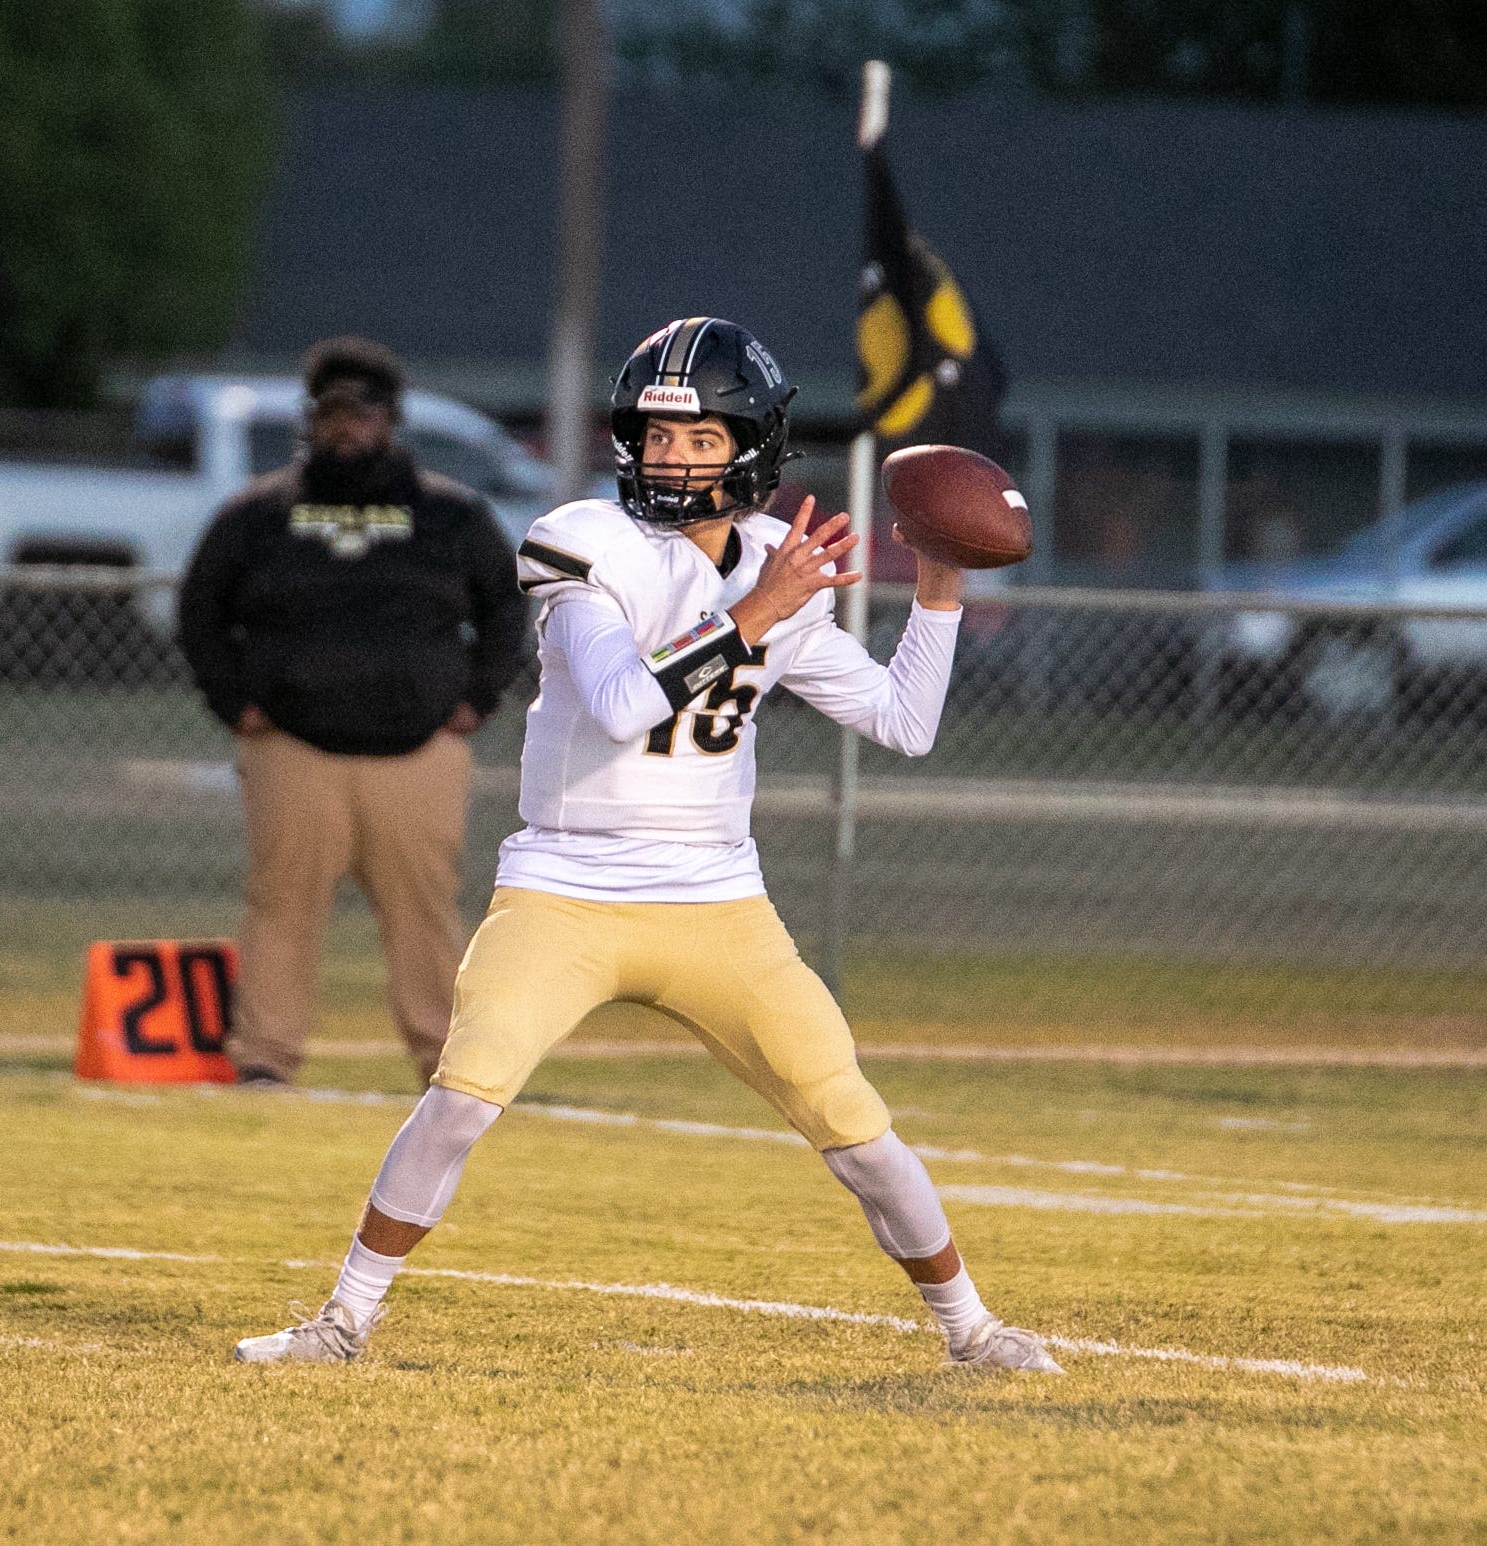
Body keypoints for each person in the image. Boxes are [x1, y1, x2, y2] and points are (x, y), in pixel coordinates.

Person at [234, 317, 1061, 1373]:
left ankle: (972, 1331)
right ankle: (340, 1321)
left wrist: (940, 592)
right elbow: (624, 703)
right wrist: (758, 611)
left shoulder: (776, 562)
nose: (670, 458)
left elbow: (906, 721)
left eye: (700, 439)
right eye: (656, 436)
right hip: (566, 886)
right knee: (458, 1101)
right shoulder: (585, 538)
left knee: (856, 1126)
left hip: (717, 898)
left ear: (749, 445)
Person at [178, 337, 528, 1088]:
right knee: (280, 907)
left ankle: (447, 1062)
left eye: (361, 415)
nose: (345, 430)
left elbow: (505, 610)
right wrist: (232, 703)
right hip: (293, 749)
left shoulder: (451, 515)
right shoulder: (258, 515)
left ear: (391, 421)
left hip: (417, 753)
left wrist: (476, 699)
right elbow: (201, 610)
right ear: (312, 420)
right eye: (331, 415)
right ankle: (265, 1056)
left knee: (425, 913)